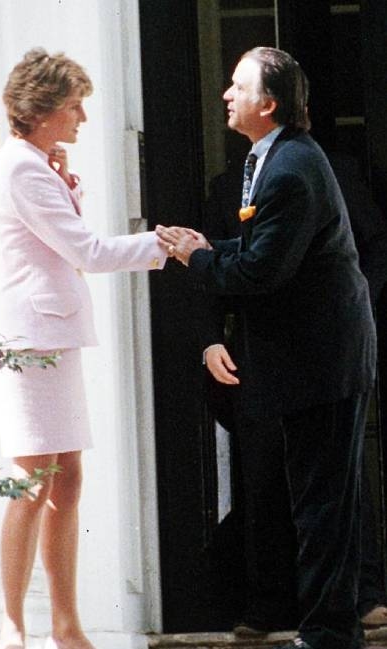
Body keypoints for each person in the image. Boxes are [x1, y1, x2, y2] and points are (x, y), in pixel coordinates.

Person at [156, 47, 377, 649]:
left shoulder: (289, 170)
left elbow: (262, 273)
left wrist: (198, 259)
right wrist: (211, 247)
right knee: (318, 503)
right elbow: (263, 248)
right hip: (312, 361)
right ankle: (332, 630)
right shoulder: (277, 157)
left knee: (322, 507)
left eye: (238, 86)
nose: (226, 95)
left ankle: (328, 635)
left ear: (269, 104)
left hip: (322, 363)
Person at [0, 48, 167, 649]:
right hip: (28, 343)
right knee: (33, 481)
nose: (82, 117)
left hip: (50, 338)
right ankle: (14, 627)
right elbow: (87, 253)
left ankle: (66, 625)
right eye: (74, 105)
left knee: (66, 478)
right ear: (44, 109)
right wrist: (163, 244)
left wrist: (66, 183)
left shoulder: (34, 164)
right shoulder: (22, 169)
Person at [202, 154, 387, 634]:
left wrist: (353, 303)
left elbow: (375, 243)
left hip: (326, 348)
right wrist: (211, 338)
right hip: (259, 351)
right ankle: (269, 607)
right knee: (263, 475)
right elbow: (213, 265)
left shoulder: (330, 171)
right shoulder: (227, 187)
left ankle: (363, 597)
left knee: (339, 476)